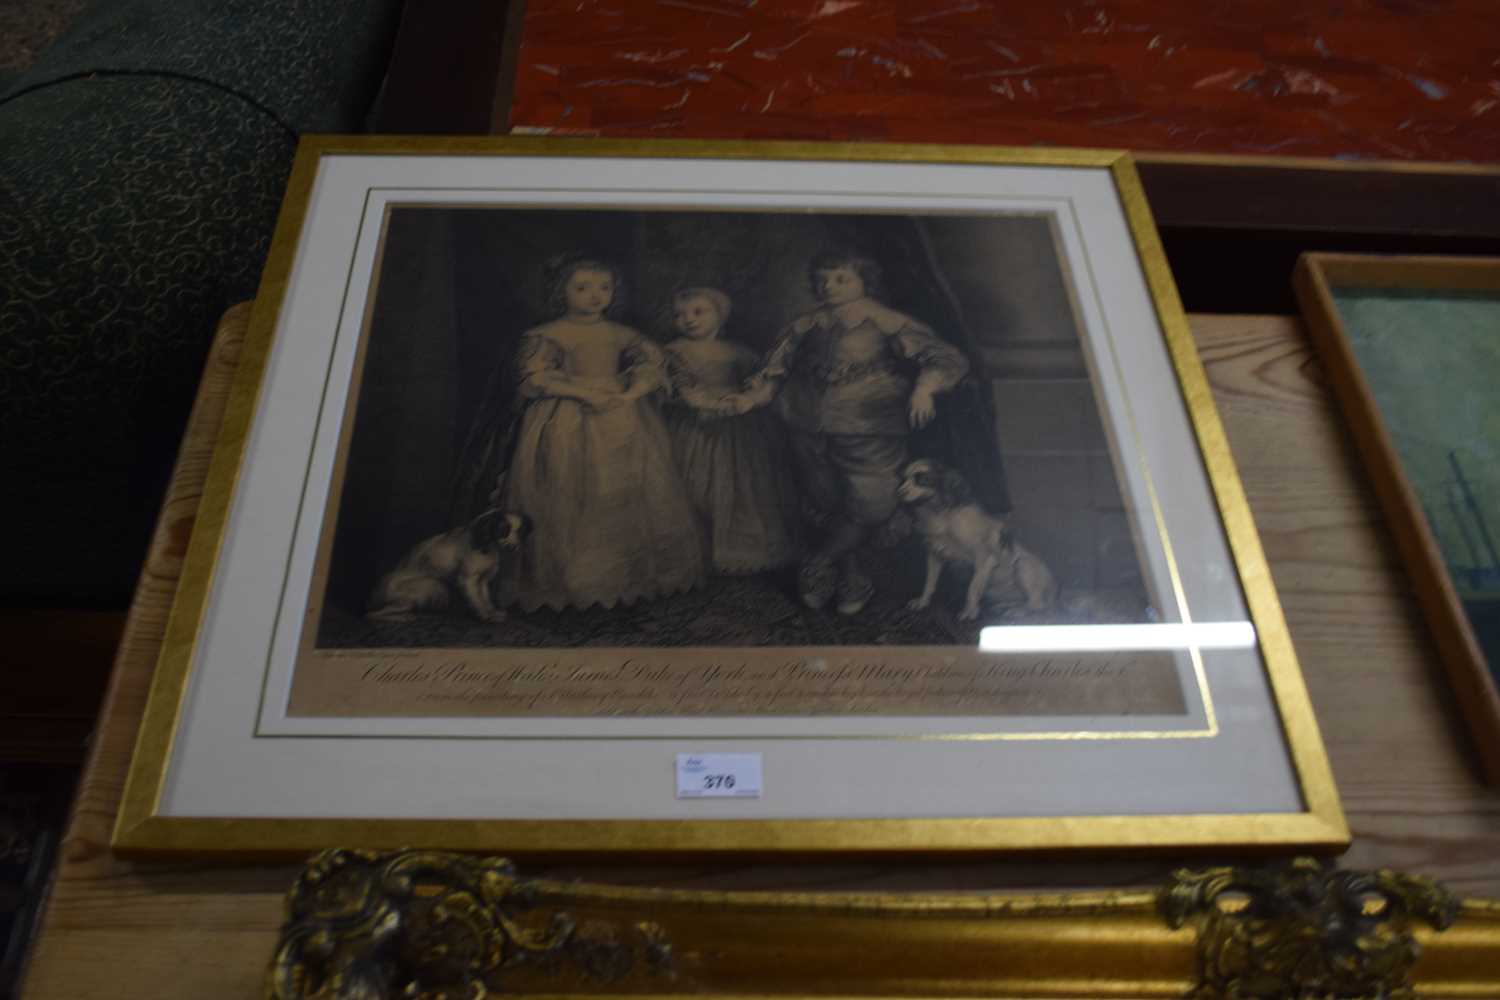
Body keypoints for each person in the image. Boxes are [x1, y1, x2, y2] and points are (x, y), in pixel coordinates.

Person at [728, 251, 969, 615]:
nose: (829, 286)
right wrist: (752, 397)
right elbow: (775, 368)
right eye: (823, 279)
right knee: (827, 502)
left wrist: (925, 388)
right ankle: (852, 575)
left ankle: (819, 562)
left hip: (871, 423)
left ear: (864, 282)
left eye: (841, 278)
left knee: (874, 504)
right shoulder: (806, 323)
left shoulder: (887, 320)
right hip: (806, 422)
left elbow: (945, 357)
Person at [496, 256, 704, 610]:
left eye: (604, 288)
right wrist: (584, 392)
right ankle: (571, 581)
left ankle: (624, 578)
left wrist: (629, 394)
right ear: (561, 292)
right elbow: (534, 376)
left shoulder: (621, 333)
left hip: (621, 414)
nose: (595, 296)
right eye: (582, 288)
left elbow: (651, 366)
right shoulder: (547, 334)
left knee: (625, 490)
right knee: (568, 489)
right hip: (564, 418)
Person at [662, 287, 799, 574]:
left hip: (738, 430)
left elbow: (758, 385)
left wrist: (743, 400)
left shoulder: (739, 352)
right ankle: (694, 550)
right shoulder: (673, 351)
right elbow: (675, 388)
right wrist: (703, 402)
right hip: (693, 428)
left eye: (699, 312)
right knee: (693, 485)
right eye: (680, 314)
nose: (688, 319)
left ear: (720, 315)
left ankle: (735, 550)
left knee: (739, 487)